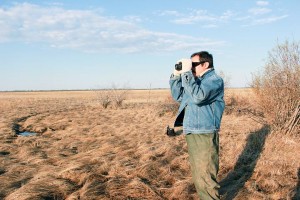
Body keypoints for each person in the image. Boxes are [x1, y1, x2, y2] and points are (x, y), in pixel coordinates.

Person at [169, 51, 225, 199]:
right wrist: (176, 75)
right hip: (192, 131)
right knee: (199, 175)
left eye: (194, 64)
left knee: (206, 176)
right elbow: (179, 96)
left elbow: (199, 97)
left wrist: (187, 73)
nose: (191, 67)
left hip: (204, 133)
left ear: (205, 64)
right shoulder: (195, 81)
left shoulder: (214, 80)